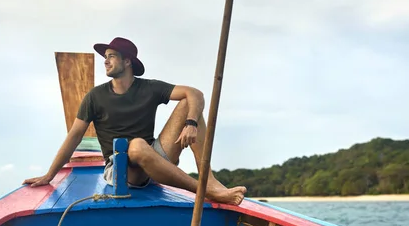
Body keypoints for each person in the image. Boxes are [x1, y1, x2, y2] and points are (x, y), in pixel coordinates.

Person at [23, 37, 246, 205]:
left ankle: (210, 180)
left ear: (127, 61)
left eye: (111, 56)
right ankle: (204, 191)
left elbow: (195, 93)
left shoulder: (148, 87)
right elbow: (74, 137)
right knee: (137, 145)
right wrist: (49, 175)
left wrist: (191, 124)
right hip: (119, 168)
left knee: (189, 105)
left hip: (151, 157)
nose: (106, 61)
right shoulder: (95, 96)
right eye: (105, 57)